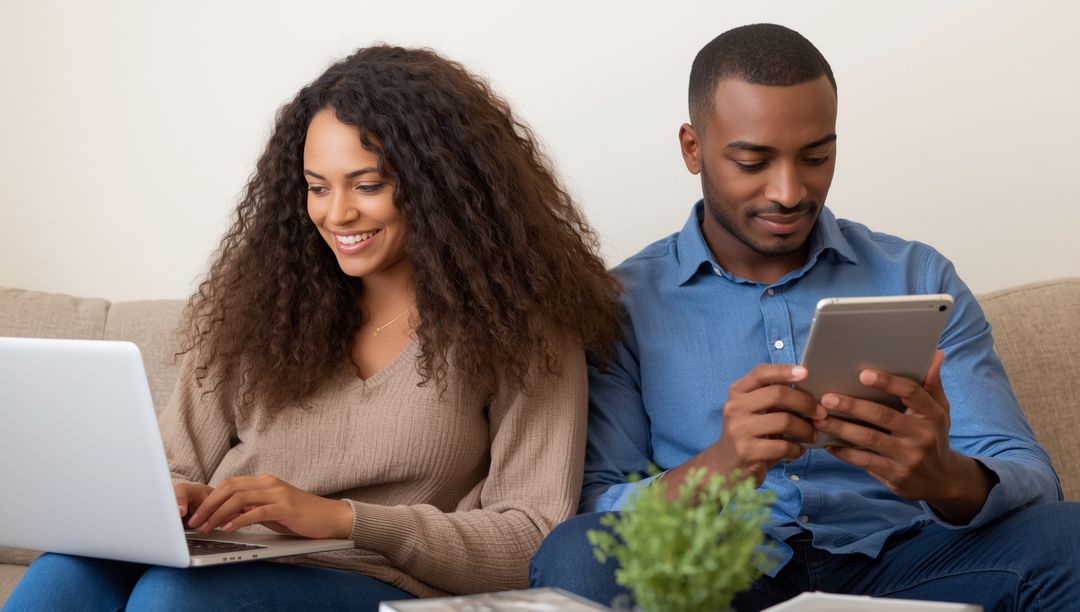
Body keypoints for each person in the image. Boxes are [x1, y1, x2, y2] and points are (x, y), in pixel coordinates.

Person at [5, 45, 622, 611]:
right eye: (317, 188)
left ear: (441, 188)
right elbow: (173, 464)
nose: (337, 213)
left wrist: (343, 518)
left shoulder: (523, 328)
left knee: (173, 598)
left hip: (372, 580)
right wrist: (174, 500)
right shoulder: (256, 309)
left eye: (368, 185)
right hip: (221, 558)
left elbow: (529, 537)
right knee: (65, 573)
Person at [530, 23, 1080, 611]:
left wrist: (944, 477)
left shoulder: (917, 275)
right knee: (576, 555)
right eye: (752, 161)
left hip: (907, 562)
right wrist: (722, 464)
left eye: (816, 157)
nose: (790, 191)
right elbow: (592, 502)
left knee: (1070, 537)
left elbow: (1031, 477)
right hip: (718, 574)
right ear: (693, 149)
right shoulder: (619, 303)